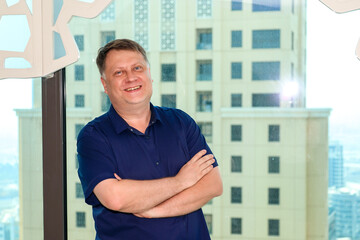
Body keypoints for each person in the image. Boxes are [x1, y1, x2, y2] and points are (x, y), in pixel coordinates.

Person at [77, 39, 223, 240]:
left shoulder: (181, 122)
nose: (130, 77)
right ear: (105, 84)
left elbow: (212, 185)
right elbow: (116, 198)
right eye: (119, 72)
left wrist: (152, 210)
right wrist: (182, 181)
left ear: (149, 74)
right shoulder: (93, 137)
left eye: (137, 68)